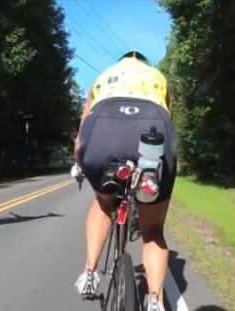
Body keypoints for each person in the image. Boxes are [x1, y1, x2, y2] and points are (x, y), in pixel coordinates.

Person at [73, 51, 177, 311]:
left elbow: (81, 134)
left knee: (103, 202)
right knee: (152, 230)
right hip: (153, 130)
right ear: (144, 64)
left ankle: (90, 273)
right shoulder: (158, 77)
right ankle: (155, 301)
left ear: (121, 62)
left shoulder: (103, 77)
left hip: (103, 129)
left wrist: (79, 164)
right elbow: (169, 121)